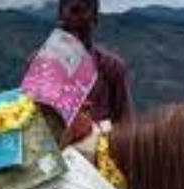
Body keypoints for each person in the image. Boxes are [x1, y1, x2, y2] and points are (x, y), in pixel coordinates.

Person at [56, 0, 134, 152]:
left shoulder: (111, 67)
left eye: (82, 11)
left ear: (95, 19)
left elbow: (127, 123)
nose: (75, 18)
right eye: (72, 11)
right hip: (53, 154)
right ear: (59, 17)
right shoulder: (41, 65)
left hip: (101, 158)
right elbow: (28, 114)